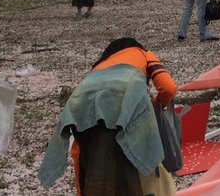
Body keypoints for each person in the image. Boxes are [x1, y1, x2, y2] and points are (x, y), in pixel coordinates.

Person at [39, 37, 177, 196]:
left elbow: (78, 151)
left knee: (95, 163)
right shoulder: (143, 53)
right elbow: (168, 88)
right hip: (124, 111)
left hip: (80, 108)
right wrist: (154, 107)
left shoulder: (97, 69)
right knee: (138, 172)